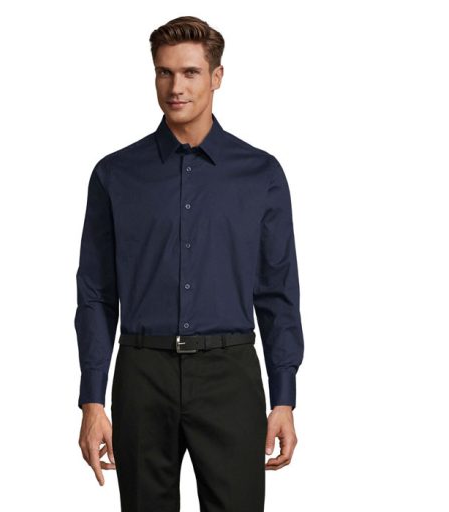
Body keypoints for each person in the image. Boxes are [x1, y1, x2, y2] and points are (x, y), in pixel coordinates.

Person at [75, 15, 305, 512]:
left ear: (216, 76)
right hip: (142, 375)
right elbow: (96, 294)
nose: (175, 87)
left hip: (230, 375)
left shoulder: (260, 174)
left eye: (190, 72)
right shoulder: (115, 175)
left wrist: (283, 397)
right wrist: (92, 399)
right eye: (165, 72)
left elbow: (277, 292)